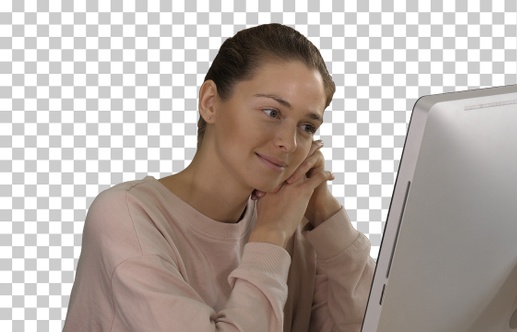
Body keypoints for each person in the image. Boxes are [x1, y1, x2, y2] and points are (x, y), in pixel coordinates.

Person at [63, 23, 375, 332]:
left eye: (307, 127)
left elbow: (376, 324)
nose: (290, 144)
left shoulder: (291, 227)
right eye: (272, 112)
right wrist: (269, 235)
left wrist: (324, 214)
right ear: (210, 103)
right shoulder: (127, 216)